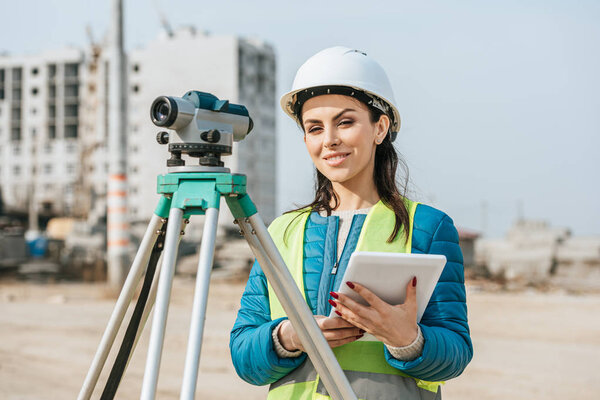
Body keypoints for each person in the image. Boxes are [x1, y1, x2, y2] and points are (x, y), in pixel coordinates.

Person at [230, 46, 472, 400]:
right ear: (306, 139)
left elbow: (455, 353)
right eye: (315, 128)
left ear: (380, 128)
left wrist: (408, 339)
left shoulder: (427, 227)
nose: (329, 140)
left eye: (345, 122)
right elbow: (243, 354)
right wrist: (289, 337)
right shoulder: (281, 231)